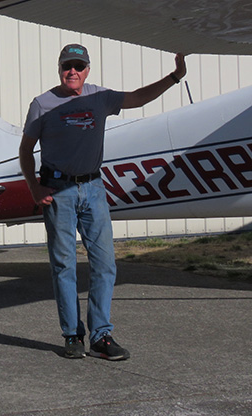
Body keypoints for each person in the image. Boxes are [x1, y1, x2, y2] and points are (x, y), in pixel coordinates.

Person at [18, 43, 186, 360]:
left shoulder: (100, 97)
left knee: (105, 265)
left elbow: (137, 97)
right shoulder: (42, 104)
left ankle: (101, 336)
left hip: (94, 190)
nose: (73, 71)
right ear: (59, 68)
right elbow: (26, 150)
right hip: (58, 192)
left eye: (79, 66)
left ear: (87, 70)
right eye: (68, 65)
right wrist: (34, 188)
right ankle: (72, 336)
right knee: (64, 267)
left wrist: (175, 77)